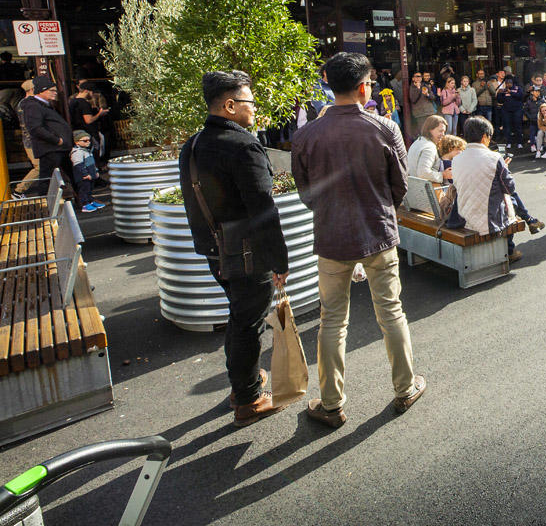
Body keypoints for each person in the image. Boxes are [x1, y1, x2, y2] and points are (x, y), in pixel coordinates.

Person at [291, 52, 425, 428]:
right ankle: (405, 387)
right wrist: (381, 204)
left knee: (331, 320)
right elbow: (400, 185)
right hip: (378, 232)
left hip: (331, 235)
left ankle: (331, 403)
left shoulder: (305, 135)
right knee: (391, 312)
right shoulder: (385, 128)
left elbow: (305, 192)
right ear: (365, 86)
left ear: (328, 85)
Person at [178, 70, 289, 427]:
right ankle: (248, 398)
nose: (254, 109)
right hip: (247, 253)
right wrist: (279, 260)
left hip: (215, 250)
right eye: (249, 102)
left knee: (240, 317)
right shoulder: (243, 146)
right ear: (229, 105)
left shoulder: (192, 144)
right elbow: (263, 209)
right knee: (247, 323)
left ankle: (247, 381)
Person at [454, 116, 537, 261]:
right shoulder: (494, 157)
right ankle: (509, 251)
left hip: (463, 215)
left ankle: (524, 228)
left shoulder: (457, 158)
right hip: (489, 220)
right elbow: (509, 187)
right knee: (509, 202)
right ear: (485, 136)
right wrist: (504, 168)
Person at [21, 76, 74, 198]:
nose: (55, 93)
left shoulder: (45, 105)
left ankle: (83, 200)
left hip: (59, 148)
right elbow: (35, 128)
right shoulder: (33, 106)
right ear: (41, 90)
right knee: (47, 179)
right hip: (51, 149)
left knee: (68, 175)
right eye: (52, 91)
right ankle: (45, 205)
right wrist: (57, 140)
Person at [69, 131, 104, 212]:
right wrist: (85, 174)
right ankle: (85, 204)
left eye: (89, 140)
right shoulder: (77, 152)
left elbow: (91, 163)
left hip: (90, 175)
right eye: (85, 141)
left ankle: (90, 201)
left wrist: (95, 171)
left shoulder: (86, 151)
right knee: (84, 190)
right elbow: (78, 165)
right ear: (77, 142)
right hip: (83, 177)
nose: (88, 142)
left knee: (89, 189)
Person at [409, 115, 449, 183]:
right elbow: (423, 173)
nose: (443, 134)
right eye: (440, 131)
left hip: (413, 188)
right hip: (422, 190)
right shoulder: (429, 147)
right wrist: (443, 175)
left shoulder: (418, 142)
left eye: (444, 132)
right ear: (430, 130)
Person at [495, 76, 525, 148]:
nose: (508, 84)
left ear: (513, 83)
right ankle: (509, 142)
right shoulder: (503, 90)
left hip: (517, 110)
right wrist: (499, 94)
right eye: (507, 83)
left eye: (510, 83)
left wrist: (511, 92)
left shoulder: (517, 88)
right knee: (507, 127)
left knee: (518, 126)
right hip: (506, 111)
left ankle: (519, 142)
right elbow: (500, 100)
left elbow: (521, 97)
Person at [408, 72, 437, 139]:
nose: (418, 78)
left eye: (420, 76)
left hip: (429, 111)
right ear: (413, 78)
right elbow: (413, 99)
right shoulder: (411, 87)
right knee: (423, 131)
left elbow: (433, 97)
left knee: (431, 130)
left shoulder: (425, 85)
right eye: (417, 76)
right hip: (420, 113)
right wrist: (418, 88)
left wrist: (427, 94)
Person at [523, 85, 543, 151]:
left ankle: (540, 145)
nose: (537, 93)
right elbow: (525, 110)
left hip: (540, 121)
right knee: (532, 133)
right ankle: (533, 145)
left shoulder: (542, 101)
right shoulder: (529, 101)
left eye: (538, 92)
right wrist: (530, 117)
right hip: (532, 121)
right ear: (532, 92)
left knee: (540, 133)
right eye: (536, 91)